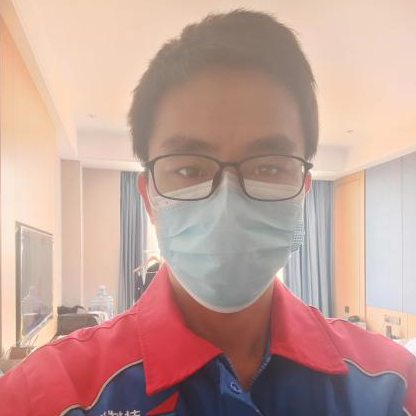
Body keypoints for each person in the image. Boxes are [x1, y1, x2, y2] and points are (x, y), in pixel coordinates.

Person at [1, 9, 415, 416]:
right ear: (148, 198)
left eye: (268, 167)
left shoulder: (392, 385)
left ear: (302, 194)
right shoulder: (46, 395)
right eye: (189, 169)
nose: (226, 206)